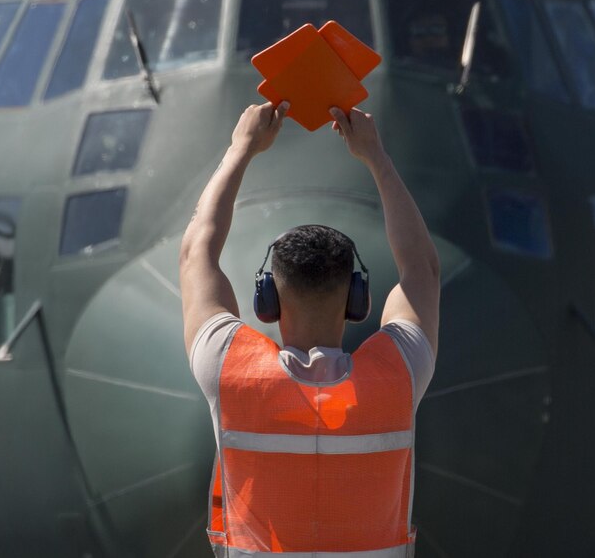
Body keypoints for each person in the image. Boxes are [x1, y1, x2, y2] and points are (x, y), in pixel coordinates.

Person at [180, 100, 440, 557]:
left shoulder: (230, 371)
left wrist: (241, 148)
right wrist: (375, 157)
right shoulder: (397, 377)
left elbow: (196, 253)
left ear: (270, 302)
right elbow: (422, 270)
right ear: (356, 302)